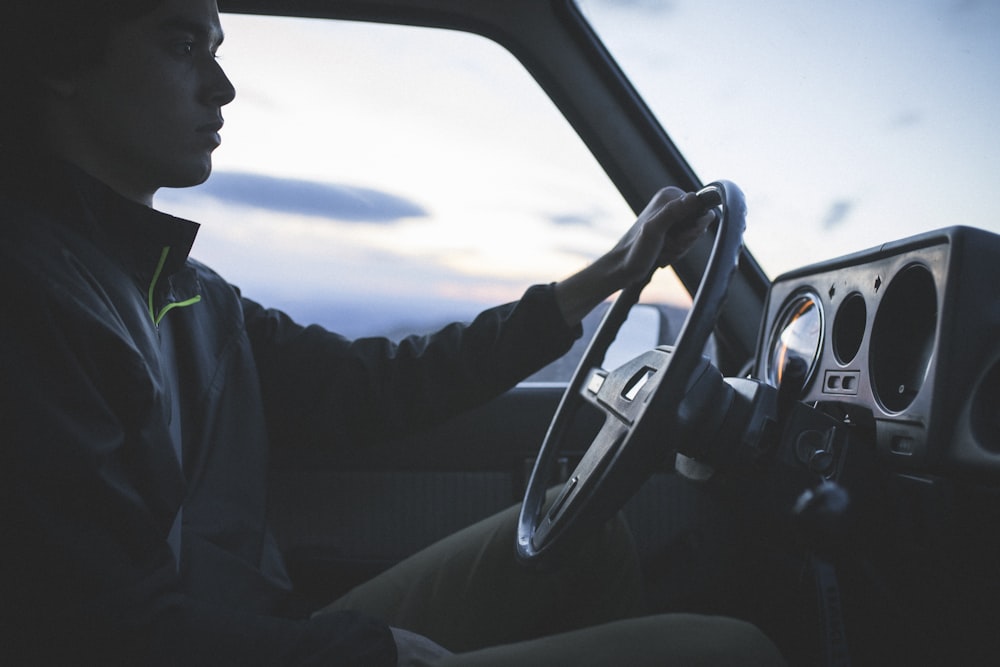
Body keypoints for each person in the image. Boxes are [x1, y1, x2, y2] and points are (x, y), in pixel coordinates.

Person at [0, 0, 785, 664]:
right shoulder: (36, 299)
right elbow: (105, 632)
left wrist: (607, 272)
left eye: (217, 49)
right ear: (65, 62)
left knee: (588, 538)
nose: (224, 86)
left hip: (262, 627)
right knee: (730, 648)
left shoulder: (187, 290)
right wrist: (369, 651)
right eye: (182, 46)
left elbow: (379, 386)